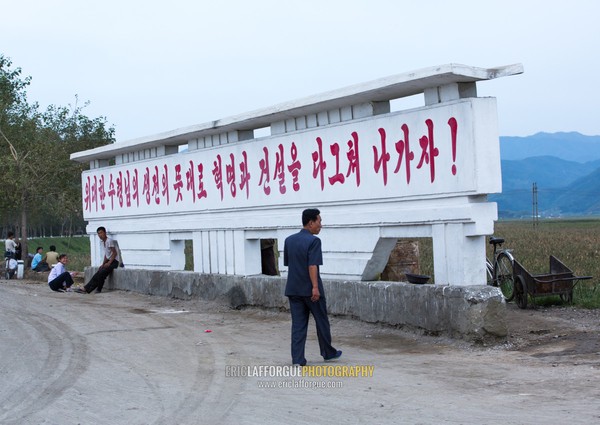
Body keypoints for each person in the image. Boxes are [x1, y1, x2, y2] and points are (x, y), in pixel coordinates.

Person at [283, 208, 342, 366]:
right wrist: (315, 287)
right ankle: (328, 353)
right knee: (321, 321)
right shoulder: (314, 241)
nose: (321, 225)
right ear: (311, 223)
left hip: (293, 289)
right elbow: (312, 265)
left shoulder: (289, 240)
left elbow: (290, 263)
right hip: (311, 290)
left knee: (298, 325)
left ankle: (297, 359)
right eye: (319, 221)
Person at [77, 226, 120, 294]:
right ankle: (86, 288)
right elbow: (106, 255)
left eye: (101, 233)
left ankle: (98, 289)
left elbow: (114, 253)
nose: (100, 235)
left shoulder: (109, 241)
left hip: (114, 262)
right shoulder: (104, 242)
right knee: (98, 273)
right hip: (109, 261)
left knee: (102, 273)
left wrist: (109, 263)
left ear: (105, 233)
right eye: (98, 233)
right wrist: (103, 264)